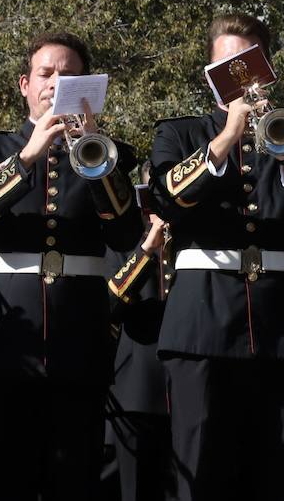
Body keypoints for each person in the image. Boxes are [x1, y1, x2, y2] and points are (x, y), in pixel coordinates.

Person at [151, 12, 284, 501]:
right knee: (201, 471)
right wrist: (225, 139)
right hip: (202, 325)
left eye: (249, 62)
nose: (240, 75)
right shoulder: (179, 134)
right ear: (210, 73)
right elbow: (165, 199)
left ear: (266, 67)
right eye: (227, 63)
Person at [0, 33, 142, 501]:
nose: (56, 84)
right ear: (24, 84)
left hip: (79, 344)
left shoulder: (109, 152)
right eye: (46, 73)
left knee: (74, 481)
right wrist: (27, 157)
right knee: (1, 477)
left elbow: (123, 234)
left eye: (69, 75)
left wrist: (92, 147)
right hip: (5, 350)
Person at [106, 201, 176, 501]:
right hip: (137, 389)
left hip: (187, 386)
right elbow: (110, 302)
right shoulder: (123, 237)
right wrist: (147, 249)